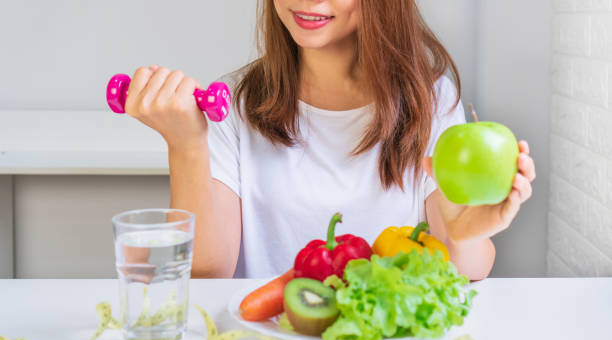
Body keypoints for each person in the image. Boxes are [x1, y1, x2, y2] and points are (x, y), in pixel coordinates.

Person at [123, 0, 536, 281]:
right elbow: (207, 273)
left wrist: (464, 235)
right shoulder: (232, 104)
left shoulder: (432, 99)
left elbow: (465, 270)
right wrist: (186, 145)